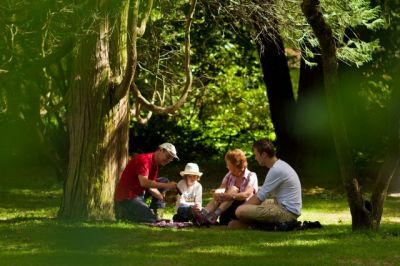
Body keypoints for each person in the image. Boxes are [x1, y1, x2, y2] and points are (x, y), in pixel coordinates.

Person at [228, 138, 302, 229]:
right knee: (248, 208)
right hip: (282, 206)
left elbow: (260, 197)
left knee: (240, 211)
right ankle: (253, 225)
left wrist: (241, 211)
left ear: (263, 154)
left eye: (256, 155)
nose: (255, 158)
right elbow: (263, 192)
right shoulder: (278, 166)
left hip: (287, 213)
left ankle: (253, 225)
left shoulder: (276, 170)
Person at [114, 143, 179, 223]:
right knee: (151, 219)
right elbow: (144, 182)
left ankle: (155, 213)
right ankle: (125, 213)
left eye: (171, 159)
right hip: (126, 198)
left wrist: (164, 199)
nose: (168, 160)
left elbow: (151, 187)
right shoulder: (144, 159)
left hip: (137, 196)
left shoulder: (155, 165)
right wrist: (167, 185)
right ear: (161, 150)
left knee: (163, 180)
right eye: (168, 157)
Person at [193, 149, 258, 225]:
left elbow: (246, 194)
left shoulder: (251, 176)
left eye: (228, 164)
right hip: (227, 206)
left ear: (236, 164)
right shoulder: (229, 174)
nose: (227, 166)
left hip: (242, 207)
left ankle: (213, 215)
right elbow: (222, 188)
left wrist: (231, 196)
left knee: (233, 189)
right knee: (220, 195)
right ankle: (203, 214)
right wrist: (218, 193)